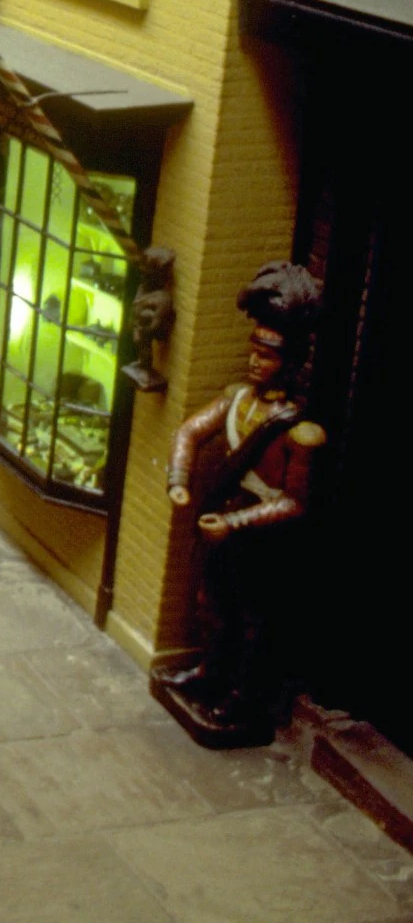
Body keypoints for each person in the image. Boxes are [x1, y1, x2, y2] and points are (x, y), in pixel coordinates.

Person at [157, 261, 325, 740]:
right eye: (255, 350)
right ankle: (210, 674)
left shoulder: (301, 433)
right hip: (224, 522)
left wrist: (237, 524)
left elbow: (294, 502)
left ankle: (244, 700)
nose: (256, 362)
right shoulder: (237, 400)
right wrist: (178, 479)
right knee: (212, 604)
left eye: (268, 355)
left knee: (254, 620)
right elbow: (190, 430)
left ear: (289, 360)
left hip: (263, 538)